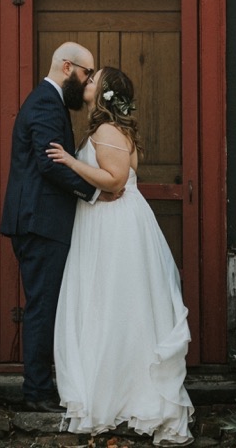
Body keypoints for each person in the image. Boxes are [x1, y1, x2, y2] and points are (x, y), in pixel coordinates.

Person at [46, 67, 194, 445]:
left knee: (113, 304)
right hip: (107, 219)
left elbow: (114, 180)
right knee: (113, 304)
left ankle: (118, 392)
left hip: (113, 224)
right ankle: (112, 386)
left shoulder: (107, 131)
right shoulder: (110, 130)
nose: (87, 82)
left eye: (93, 78)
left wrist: (70, 160)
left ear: (106, 92)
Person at [0, 41, 100, 413]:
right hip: (39, 224)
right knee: (43, 306)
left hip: (41, 222)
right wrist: (95, 191)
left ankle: (40, 387)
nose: (88, 80)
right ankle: (37, 392)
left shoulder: (50, 101)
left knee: (45, 305)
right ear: (68, 66)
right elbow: (49, 164)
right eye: (87, 72)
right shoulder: (45, 102)